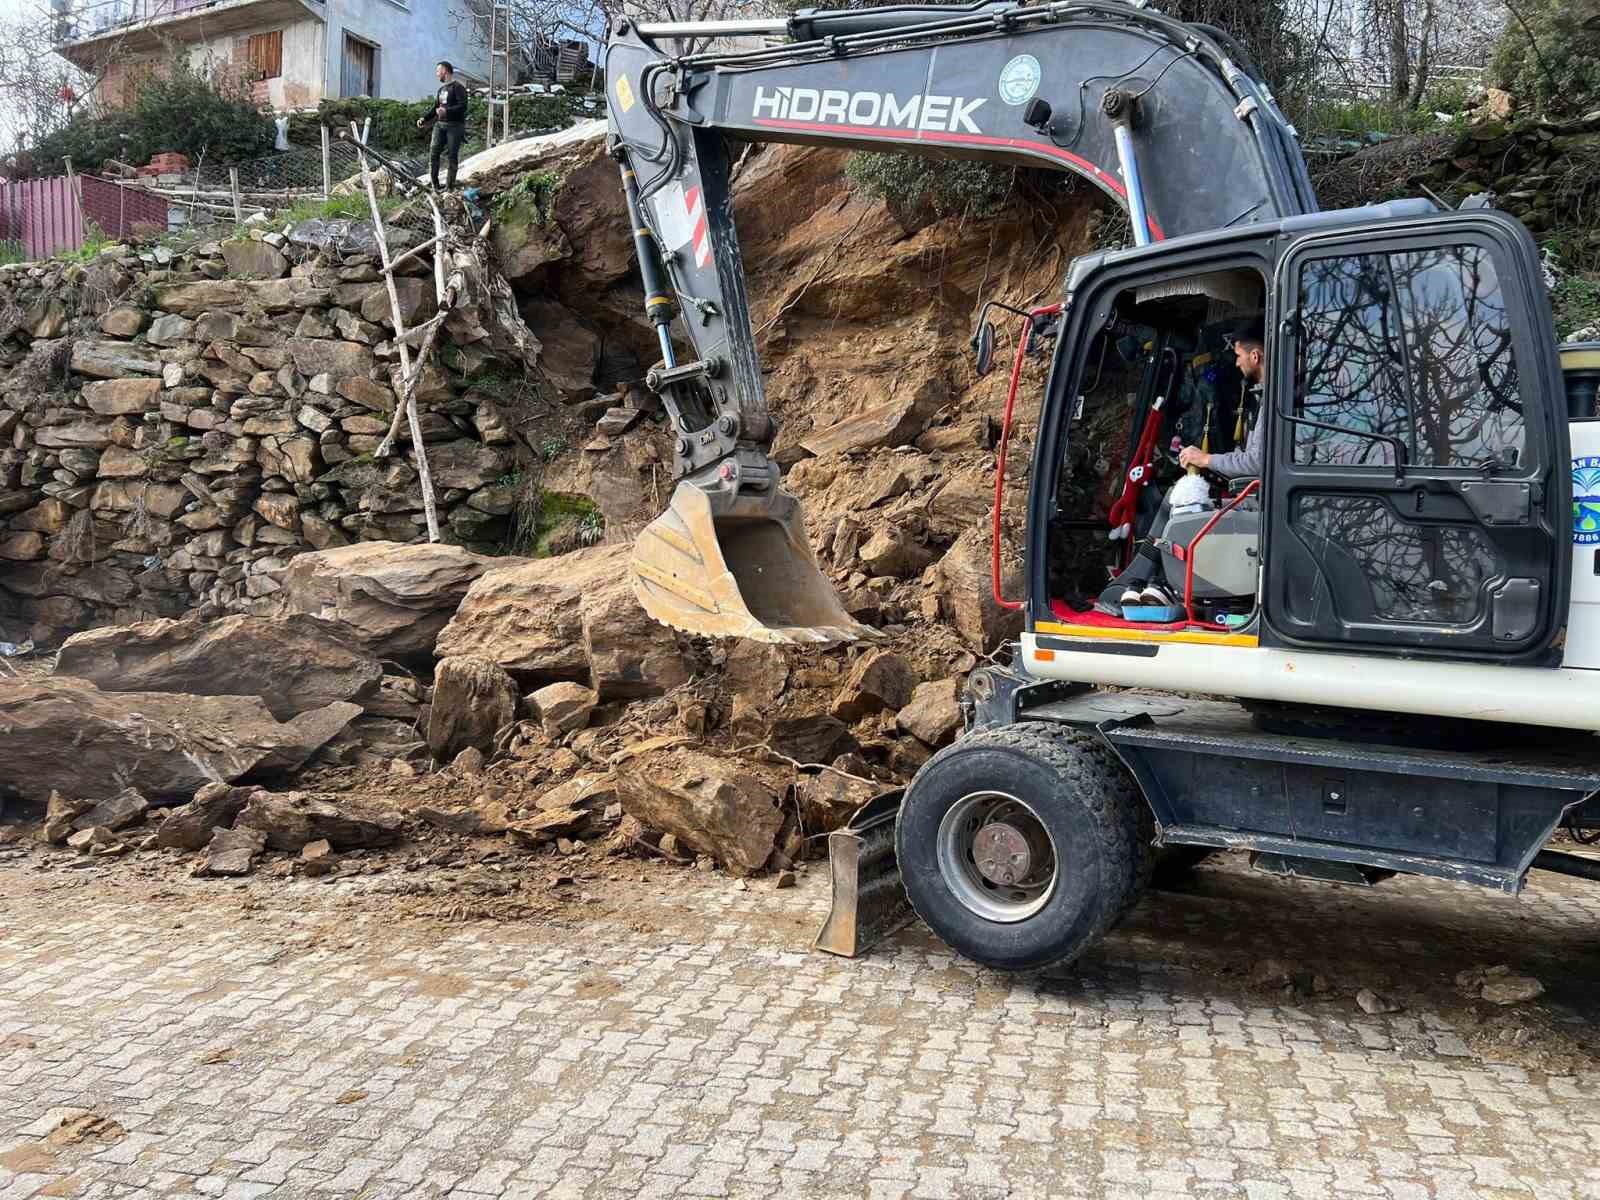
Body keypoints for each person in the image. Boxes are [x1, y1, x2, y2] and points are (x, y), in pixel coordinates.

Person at [1095, 317, 1267, 614]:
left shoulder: (1271, 401)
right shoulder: (1266, 398)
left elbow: (1255, 462)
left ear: (1255, 356)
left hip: (1258, 505)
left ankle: (1152, 582)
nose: (1237, 364)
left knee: (1180, 504)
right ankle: (1149, 580)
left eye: (1238, 356)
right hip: (1254, 498)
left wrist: (1204, 459)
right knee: (1177, 496)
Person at [417, 61, 469, 191]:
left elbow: (463, 106)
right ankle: (435, 185)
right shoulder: (441, 90)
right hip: (440, 125)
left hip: (455, 126)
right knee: (433, 154)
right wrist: (424, 118)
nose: (436, 74)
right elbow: (435, 107)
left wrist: (447, 111)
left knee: (452, 156)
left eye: (438, 71)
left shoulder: (457, 87)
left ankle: (449, 187)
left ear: (445, 71)